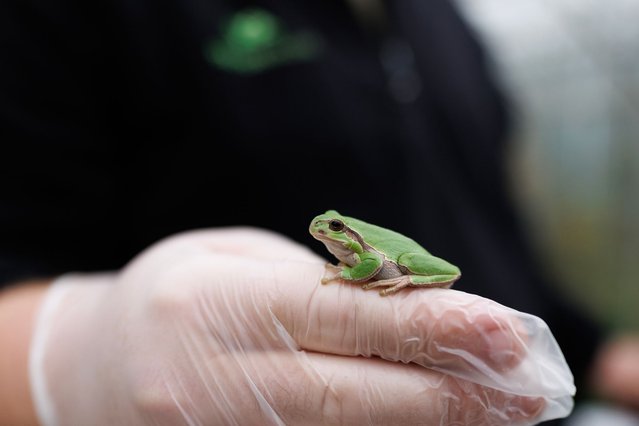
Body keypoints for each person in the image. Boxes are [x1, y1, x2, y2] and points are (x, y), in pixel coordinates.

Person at [1, 0, 638, 424]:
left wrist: (594, 353)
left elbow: (495, 236)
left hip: (501, 392)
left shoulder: (442, 21)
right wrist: (79, 356)